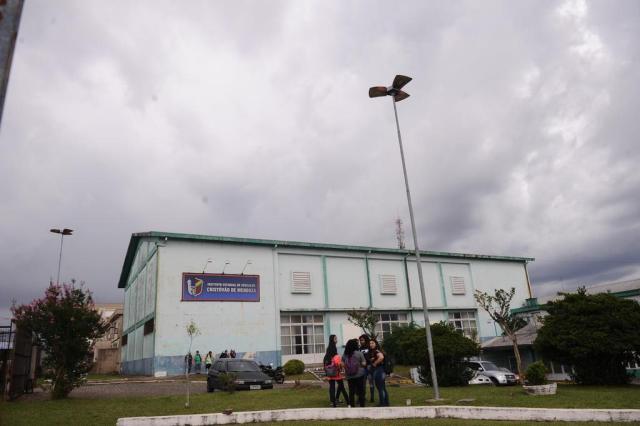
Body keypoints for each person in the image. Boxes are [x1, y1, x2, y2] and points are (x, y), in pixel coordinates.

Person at [323, 334, 348, 407]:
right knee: (341, 385)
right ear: (332, 340)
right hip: (335, 371)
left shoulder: (328, 348)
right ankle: (337, 400)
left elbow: (326, 360)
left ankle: (333, 401)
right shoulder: (333, 348)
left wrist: (326, 370)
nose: (336, 340)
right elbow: (336, 360)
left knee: (332, 386)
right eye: (335, 339)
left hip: (329, 371)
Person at [342, 338, 366, 407]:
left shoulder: (345, 354)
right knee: (361, 391)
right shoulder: (359, 353)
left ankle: (352, 406)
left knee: (351, 391)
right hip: (359, 375)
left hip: (349, 375)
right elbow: (364, 363)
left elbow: (342, 364)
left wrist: (347, 367)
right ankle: (362, 406)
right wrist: (360, 365)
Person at [368, 339, 390, 406]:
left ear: (376, 344)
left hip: (379, 370)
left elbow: (381, 357)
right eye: (370, 343)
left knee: (380, 387)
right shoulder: (377, 350)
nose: (371, 344)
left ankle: (382, 403)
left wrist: (375, 363)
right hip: (381, 370)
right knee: (382, 387)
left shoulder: (376, 351)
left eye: (372, 343)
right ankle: (386, 402)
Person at [359, 334, 375, 403]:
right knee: (363, 384)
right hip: (363, 368)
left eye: (362, 340)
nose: (361, 341)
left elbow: (374, 355)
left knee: (371, 382)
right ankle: (363, 397)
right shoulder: (360, 348)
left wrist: (371, 360)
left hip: (369, 367)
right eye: (360, 340)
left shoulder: (370, 347)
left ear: (365, 339)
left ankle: (372, 397)